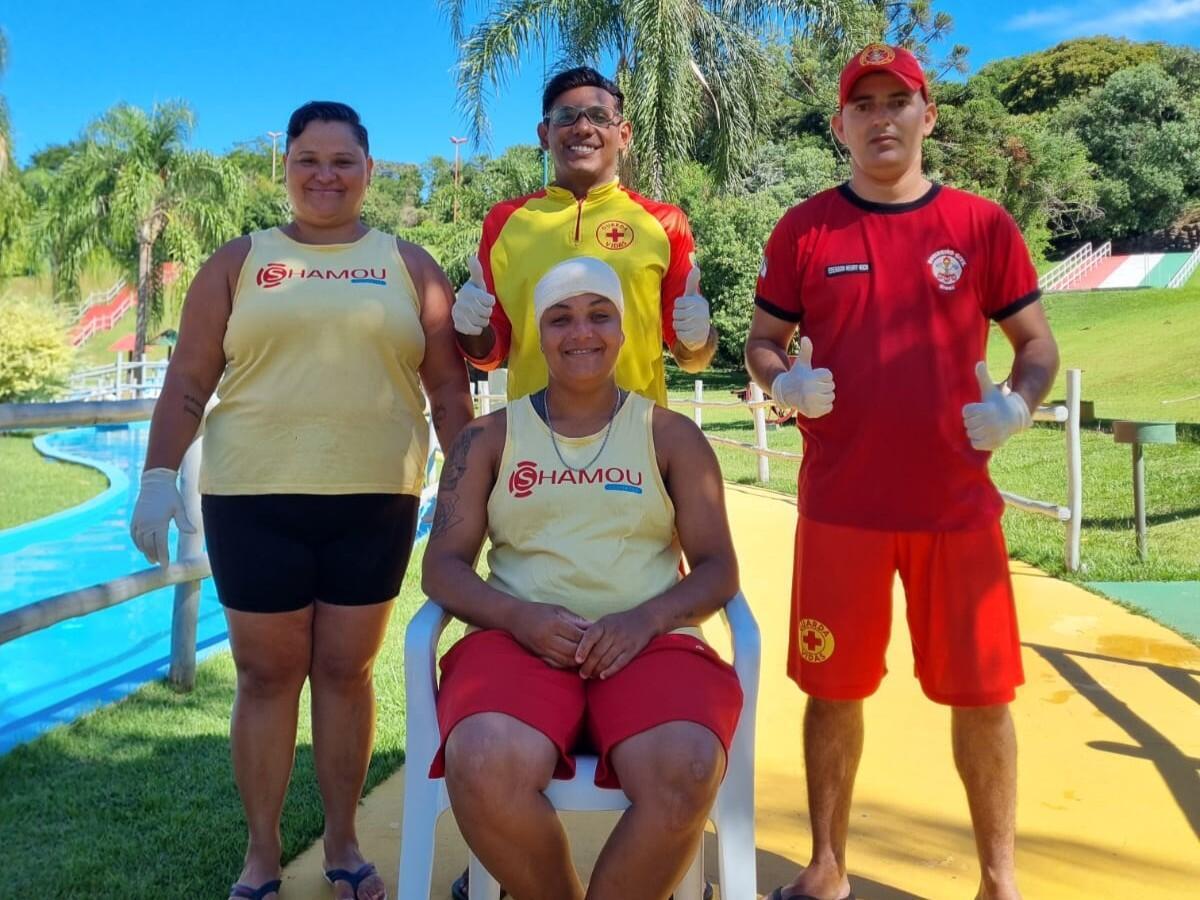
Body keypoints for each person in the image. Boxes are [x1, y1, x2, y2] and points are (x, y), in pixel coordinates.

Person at [129, 101, 473, 900]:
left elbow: (450, 392)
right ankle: (261, 854)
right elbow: (188, 380)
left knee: (346, 672)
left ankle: (344, 842)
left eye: (342, 161)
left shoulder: (408, 263)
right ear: (283, 168)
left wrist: (471, 495)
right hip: (253, 498)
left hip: (374, 497)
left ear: (369, 170)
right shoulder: (241, 261)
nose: (325, 175)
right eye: (307, 160)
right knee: (265, 674)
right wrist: (154, 476)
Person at [745, 45, 1059, 900]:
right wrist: (785, 384)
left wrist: (1018, 404)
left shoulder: (981, 225)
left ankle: (1000, 881)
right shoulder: (805, 228)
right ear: (841, 124)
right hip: (842, 508)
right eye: (864, 104)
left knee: (983, 698)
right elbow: (762, 341)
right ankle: (827, 866)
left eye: (899, 100)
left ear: (927, 115)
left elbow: (1037, 346)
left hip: (958, 510)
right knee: (833, 691)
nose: (882, 117)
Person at [424, 256, 743, 900]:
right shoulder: (488, 438)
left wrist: (644, 620)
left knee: (686, 765)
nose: (582, 332)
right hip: (518, 641)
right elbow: (442, 567)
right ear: (539, 336)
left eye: (600, 315)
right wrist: (519, 618)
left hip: (648, 641)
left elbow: (718, 569)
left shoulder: (670, 437)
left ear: (623, 331)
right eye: (561, 318)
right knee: (482, 761)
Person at [452, 65, 717, 408]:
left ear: (623, 135)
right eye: (566, 116)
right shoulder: (504, 222)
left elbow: (692, 359)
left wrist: (699, 338)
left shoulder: (664, 222)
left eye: (598, 115)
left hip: (637, 441)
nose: (582, 127)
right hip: (535, 442)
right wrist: (470, 329)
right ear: (544, 134)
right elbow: (489, 355)